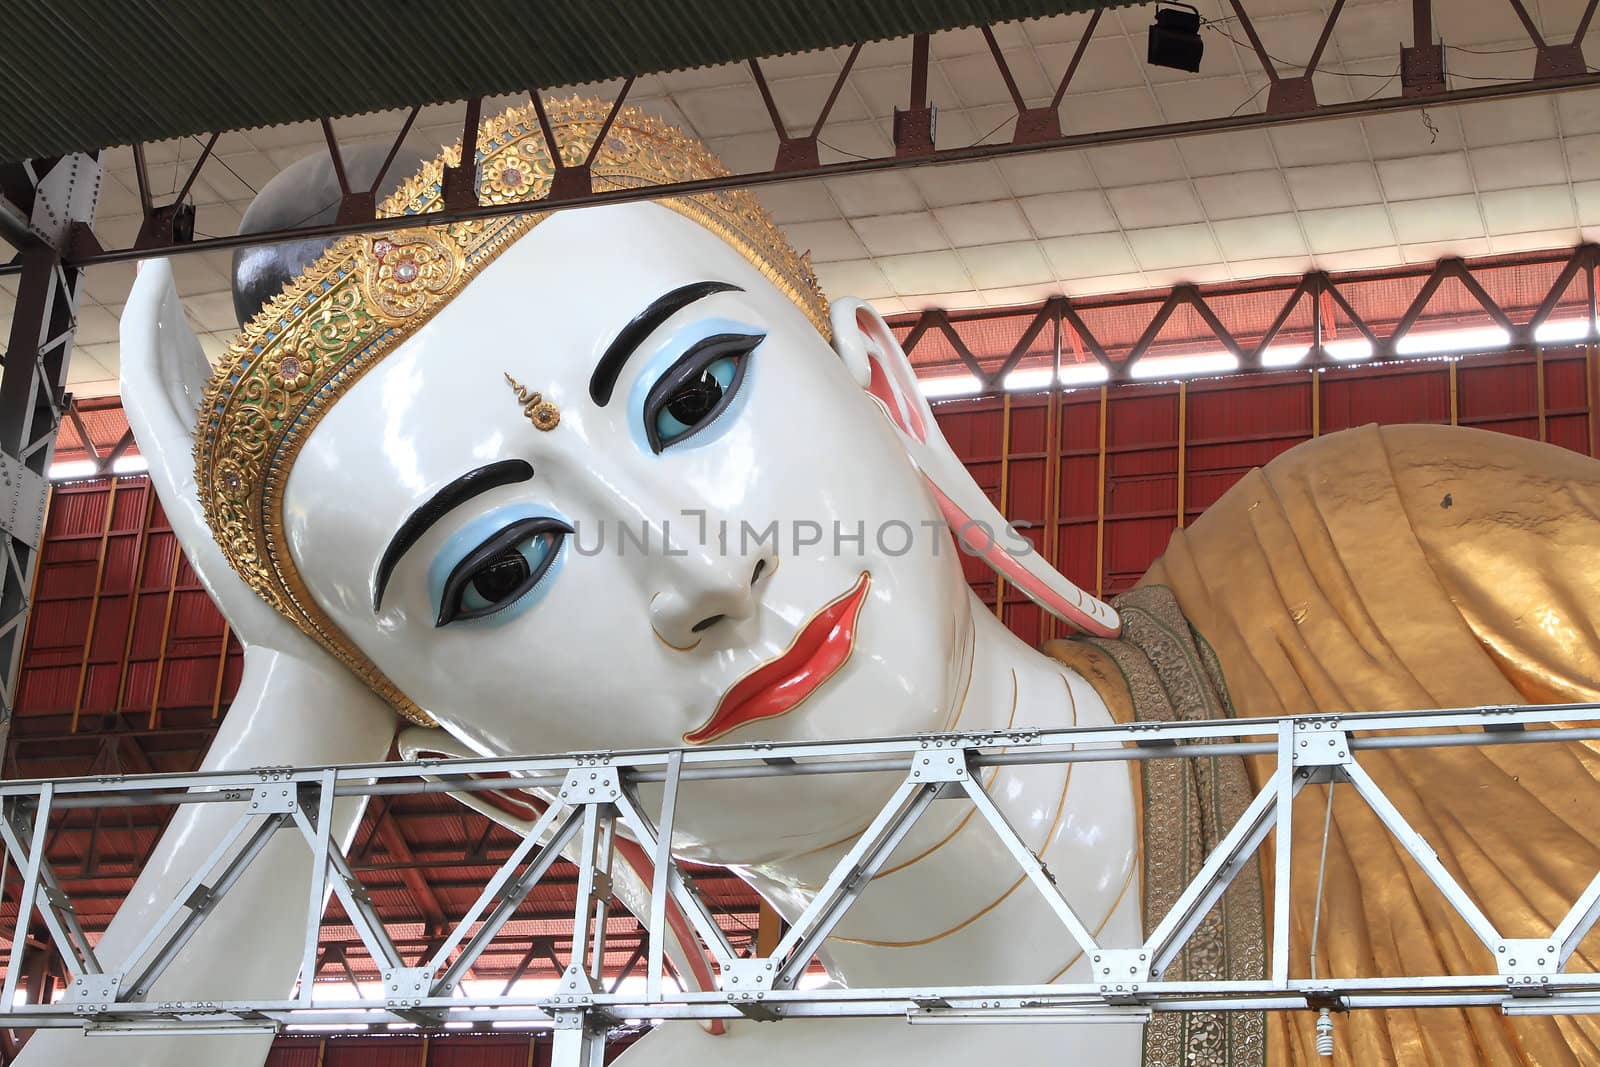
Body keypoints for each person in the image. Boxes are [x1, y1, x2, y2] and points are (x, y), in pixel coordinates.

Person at [23, 98, 1600, 1067]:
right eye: (499, 569)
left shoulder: (1406, 560)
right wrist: (297, 717)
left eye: (699, 395)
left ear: (877, 387)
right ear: (443, 738)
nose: (697, 571)